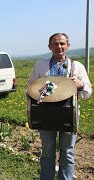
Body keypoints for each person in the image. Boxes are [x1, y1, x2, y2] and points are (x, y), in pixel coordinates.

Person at [27, 33, 92, 180]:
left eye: (62, 43)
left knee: (67, 152)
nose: (59, 47)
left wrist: (80, 85)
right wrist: (38, 90)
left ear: (68, 46)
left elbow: (88, 92)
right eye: (55, 44)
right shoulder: (40, 65)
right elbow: (30, 87)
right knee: (47, 152)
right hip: (44, 116)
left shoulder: (77, 66)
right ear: (49, 47)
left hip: (69, 116)